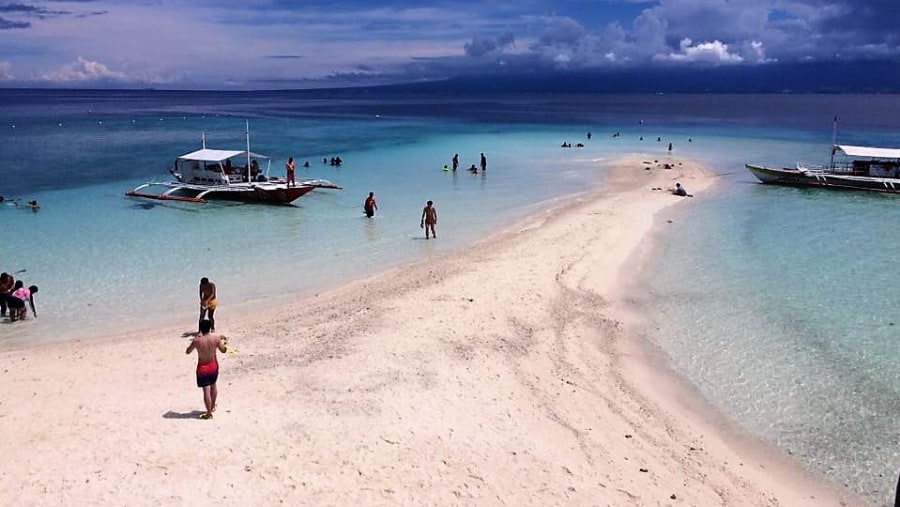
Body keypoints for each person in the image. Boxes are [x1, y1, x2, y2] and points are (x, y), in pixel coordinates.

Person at [186, 319, 227, 419]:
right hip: (213, 365)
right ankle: (212, 406)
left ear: (200, 328)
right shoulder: (215, 339)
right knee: (213, 386)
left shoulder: (197, 341)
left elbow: (188, 351)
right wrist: (224, 343)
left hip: (203, 368)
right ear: (209, 328)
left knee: (206, 391)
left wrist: (196, 339)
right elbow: (223, 350)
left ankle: (209, 413)